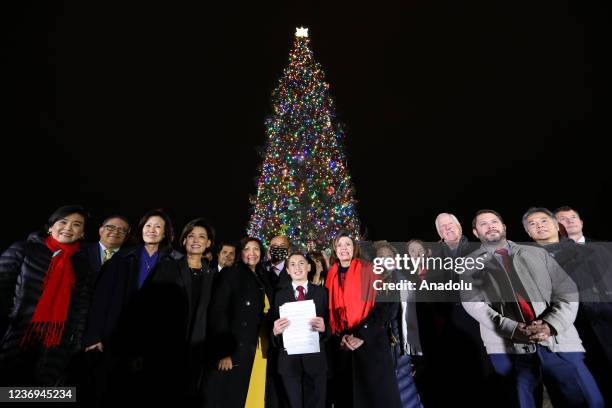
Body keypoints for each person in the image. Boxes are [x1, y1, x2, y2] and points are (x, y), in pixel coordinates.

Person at [462, 209, 603, 407]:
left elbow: (567, 291)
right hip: (508, 348)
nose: (491, 225)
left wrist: (551, 324)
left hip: (558, 340)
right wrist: (513, 328)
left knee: (585, 400)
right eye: (483, 224)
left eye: (494, 221)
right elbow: (473, 304)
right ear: (476, 233)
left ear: (503, 227)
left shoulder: (537, 253)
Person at [82, 209, 178, 404]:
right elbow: (101, 300)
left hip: (150, 339)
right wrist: (94, 336)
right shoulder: (121, 258)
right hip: (115, 333)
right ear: (141, 229)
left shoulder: (172, 262)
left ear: (166, 233)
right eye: (148, 225)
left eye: (158, 226)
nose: (152, 230)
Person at [523, 207, 612, 405]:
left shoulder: (593, 251)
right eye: (533, 224)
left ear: (556, 225)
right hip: (563, 334)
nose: (539, 226)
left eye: (544, 221)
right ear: (528, 233)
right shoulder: (525, 261)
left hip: (601, 324)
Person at [0, 205, 93, 385]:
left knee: (43, 395)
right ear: (50, 227)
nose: (68, 228)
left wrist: (74, 345)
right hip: (16, 337)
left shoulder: (82, 266)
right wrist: (9, 319)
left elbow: (81, 308)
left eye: (76, 225)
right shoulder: (24, 250)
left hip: (57, 346)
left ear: (82, 233)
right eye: (63, 222)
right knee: (8, 390)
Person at [140, 217, 216, 404]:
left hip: (196, 349)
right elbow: (148, 306)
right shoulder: (167, 267)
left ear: (208, 243)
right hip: (164, 346)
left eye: (201, 237)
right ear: (184, 241)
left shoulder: (213, 276)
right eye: (191, 236)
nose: (196, 240)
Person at [325, 231, 401, 408]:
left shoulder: (371, 270)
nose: (343, 248)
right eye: (339, 245)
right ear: (334, 250)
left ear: (354, 248)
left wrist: (361, 334)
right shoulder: (331, 276)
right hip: (344, 347)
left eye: (347, 244)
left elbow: (386, 307)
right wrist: (340, 337)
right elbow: (328, 312)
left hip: (370, 344)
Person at [205, 237, 274, 407]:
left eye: (256, 249)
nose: (252, 253)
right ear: (240, 253)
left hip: (259, 345)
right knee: (231, 395)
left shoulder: (263, 276)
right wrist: (224, 351)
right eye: (247, 249)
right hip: (235, 347)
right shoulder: (230, 274)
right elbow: (218, 312)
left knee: (254, 391)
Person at [271, 252, 329, 408]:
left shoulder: (323, 293)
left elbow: (332, 327)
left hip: (316, 362)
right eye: (292, 264)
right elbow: (271, 330)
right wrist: (275, 331)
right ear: (288, 270)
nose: (297, 267)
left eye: (302, 263)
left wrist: (325, 328)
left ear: (309, 267)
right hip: (289, 363)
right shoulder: (278, 296)